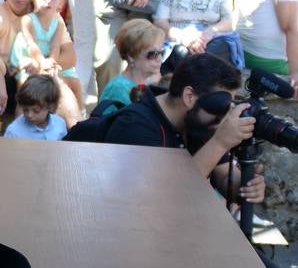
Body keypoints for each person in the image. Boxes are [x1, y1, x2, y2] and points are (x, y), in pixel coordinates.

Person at [93, 53, 267, 208]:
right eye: (220, 104)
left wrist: (244, 185)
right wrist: (220, 143)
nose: (225, 113)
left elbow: (224, 176)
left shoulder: (201, 119)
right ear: (189, 96)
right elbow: (163, 199)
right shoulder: (135, 127)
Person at [17, 0, 83, 126]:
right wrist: (42, 62)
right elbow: (31, 44)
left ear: (60, 3)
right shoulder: (28, 20)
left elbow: (55, 45)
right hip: (32, 59)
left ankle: (80, 113)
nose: (48, 2)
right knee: (23, 85)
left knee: (75, 82)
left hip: (50, 59)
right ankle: (19, 123)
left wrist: (51, 62)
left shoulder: (58, 21)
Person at [97, 17, 166, 112]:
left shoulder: (150, 83)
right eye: (152, 54)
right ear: (131, 56)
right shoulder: (117, 89)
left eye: (161, 53)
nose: (159, 59)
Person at [4, 74, 68, 141]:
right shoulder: (14, 131)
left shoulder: (59, 125)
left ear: (51, 106)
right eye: (25, 109)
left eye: (36, 110)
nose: (29, 115)